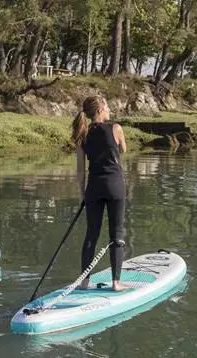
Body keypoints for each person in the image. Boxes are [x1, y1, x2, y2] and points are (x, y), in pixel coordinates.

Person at [71, 95, 128, 291]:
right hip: (115, 186)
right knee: (116, 234)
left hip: (93, 188)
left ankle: (84, 282)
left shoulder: (82, 134)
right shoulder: (116, 128)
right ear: (101, 108)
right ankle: (116, 282)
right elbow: (124, 149)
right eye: (108, 106)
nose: (110, 110)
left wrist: (82, 194)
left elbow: (80, 171)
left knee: (91, 235)